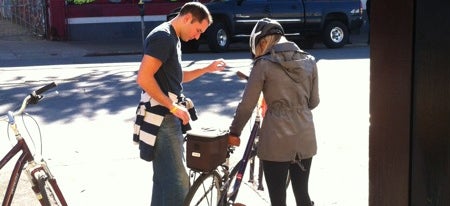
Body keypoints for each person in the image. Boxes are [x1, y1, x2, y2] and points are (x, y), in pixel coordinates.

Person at [133, 2, 226, 205]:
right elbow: (143, 78)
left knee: (163, 181)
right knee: (178, 182)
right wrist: (173, 106)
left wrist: (205, 69)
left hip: (165, 117)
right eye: (198, 29)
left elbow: (175, 76)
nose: (198, 36)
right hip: (163, 120)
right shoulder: (164, 37)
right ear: (187, 18)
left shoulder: (171, 37)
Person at [227, 18, 320, 206]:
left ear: (263, 42)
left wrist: (235, 131)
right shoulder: (309, 60)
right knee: (302, 193)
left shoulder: (263, 65)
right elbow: (313, 102)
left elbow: (247, 105)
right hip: (305, 135)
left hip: (276, 140)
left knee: (278, 200)